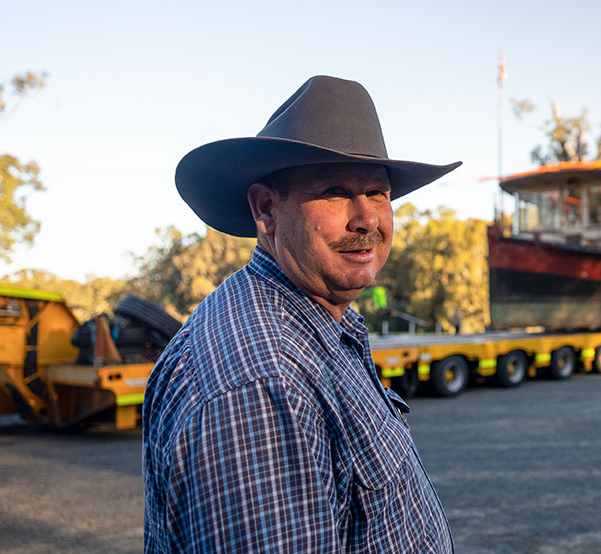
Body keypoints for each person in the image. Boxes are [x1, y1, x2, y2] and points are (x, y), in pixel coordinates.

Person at [142, 76, 461, 553]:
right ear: (266, 209)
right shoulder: (260, 385)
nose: (368, 219)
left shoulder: (318, 325)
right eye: (335, 190)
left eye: (378, 193)